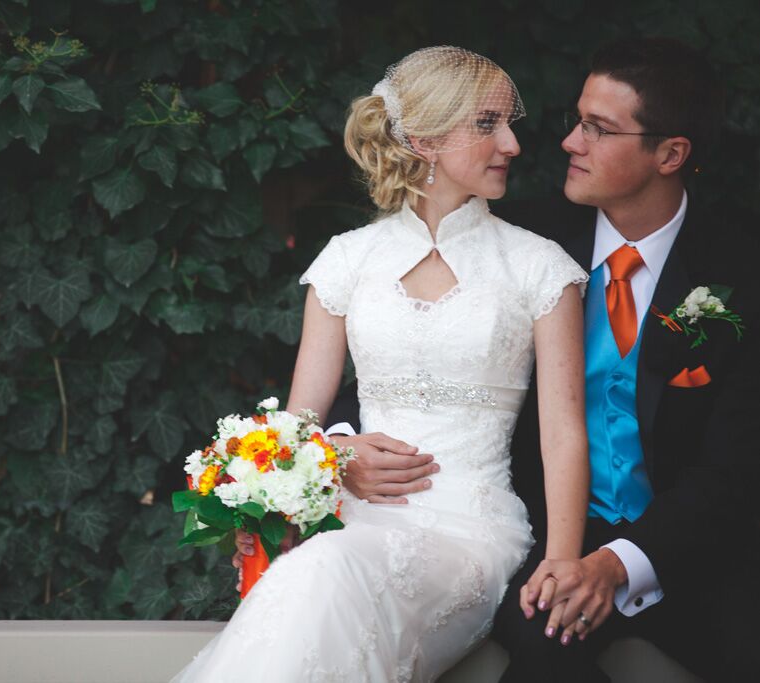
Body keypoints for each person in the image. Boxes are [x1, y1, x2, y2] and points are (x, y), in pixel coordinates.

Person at [321, 38, 760, 682]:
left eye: (598, 129)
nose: (568, 143)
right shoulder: (518, 242)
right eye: (575, 120)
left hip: (691, 550)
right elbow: (394, 353)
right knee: (540, 654)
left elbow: (736, 466)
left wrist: (618, 564)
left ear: (670, 154)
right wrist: (340, 445)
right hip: (546, 537)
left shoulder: (742, 270)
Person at [174, 46, 589, 682]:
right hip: (354, 521)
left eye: (510, 123)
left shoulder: (539, 267)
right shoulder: (347, 260)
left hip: (471, 533)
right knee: (315, 570)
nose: (512, 143)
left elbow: (563, 433)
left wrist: (563, 558)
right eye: (487, 124)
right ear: (422, 138)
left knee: (322, 571)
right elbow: (299, 424)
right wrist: (335, 458)